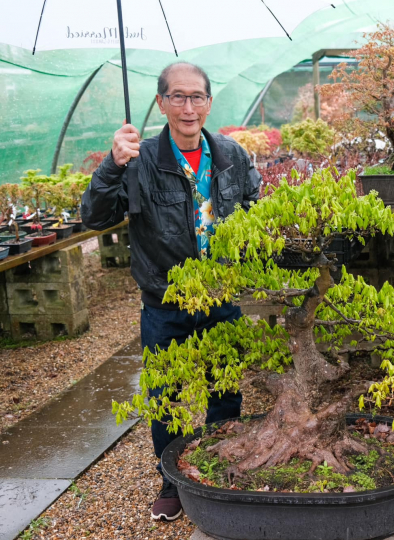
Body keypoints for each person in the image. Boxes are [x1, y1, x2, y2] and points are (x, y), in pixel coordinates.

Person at [81, 62, 261, 522]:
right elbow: (95, 219)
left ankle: (221, 465)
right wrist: (111, 164)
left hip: (222, 296)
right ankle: (172, 478)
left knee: (225, 389)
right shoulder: (138, 160)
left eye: (196, 96)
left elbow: (258, 210)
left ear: (209, 102)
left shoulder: (231, 156)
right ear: (160, 103)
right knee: (166, 396)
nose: (188, 107)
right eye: (177, 97)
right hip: (166, 302)